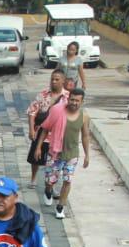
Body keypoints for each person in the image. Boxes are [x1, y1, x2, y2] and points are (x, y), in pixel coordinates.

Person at [39, 87, 92, 219]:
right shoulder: (57, 111)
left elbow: (85, 136)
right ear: (68, 99)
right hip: (55, 153)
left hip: (72, 155)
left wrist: (87, 155)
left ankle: (60, 207)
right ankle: (48, 191)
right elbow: (45, 128)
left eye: (77, 101)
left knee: (68, 180)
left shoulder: (84, 117)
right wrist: (38, 147)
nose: (74, 102)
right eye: (72, 99)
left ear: (82, 102)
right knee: (50, 180)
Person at [25, 71, 70, 187]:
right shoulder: (43, 94)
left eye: (57, 80)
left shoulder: (68, 97)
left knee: (55, 159)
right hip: (41, 130)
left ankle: (52, 182)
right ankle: (33, 178)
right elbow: (32, 111)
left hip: (57, 133)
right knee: (35, 157)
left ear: (63, 81)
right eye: (52, 79)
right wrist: (31, 129)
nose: (54, 82)